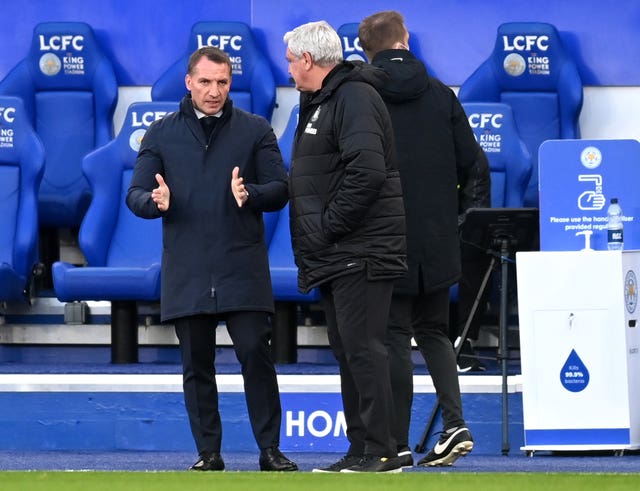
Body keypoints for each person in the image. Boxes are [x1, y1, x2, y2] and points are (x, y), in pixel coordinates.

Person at [126, 46, 297, 473]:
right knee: (195, 364)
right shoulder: (160, 133)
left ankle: (270, 451)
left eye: (222, 82)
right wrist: (155, 202)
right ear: (188, 82)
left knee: (257, 355)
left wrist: (251, 194)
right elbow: (135, 195)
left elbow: (281, 187)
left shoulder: (255, 130)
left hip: (242, 266)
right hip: (188, 267)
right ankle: (209, 453)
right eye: (205, 82)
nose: (214, 91)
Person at [283, 21, 407, 473]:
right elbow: (314, 178)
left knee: (364, 349)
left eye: (292, 61)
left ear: (309, 60)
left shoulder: (353, 96)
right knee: (349, 351)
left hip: (361, 249)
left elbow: (367, 172)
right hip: (338, 252)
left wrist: (328, 227)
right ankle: (360, 449)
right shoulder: (319, 101)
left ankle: (382, 450)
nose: (289, 70)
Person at [358, 10, 477, 467]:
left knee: (392, 337)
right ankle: (454, 423)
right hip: (438, 238)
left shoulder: (363, 94)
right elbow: (473, 164)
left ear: (366, 50)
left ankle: (399, 443)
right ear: (405, 41)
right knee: (434, 332)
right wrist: (458, 217)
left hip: (386, 238)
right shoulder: (441, 95)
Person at [452, 148, 493, 372]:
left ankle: (463, 340)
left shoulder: (473, 157)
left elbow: (474, 212)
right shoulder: (418, 152)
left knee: (477, 246)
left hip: (455, 231)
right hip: (421, 228)